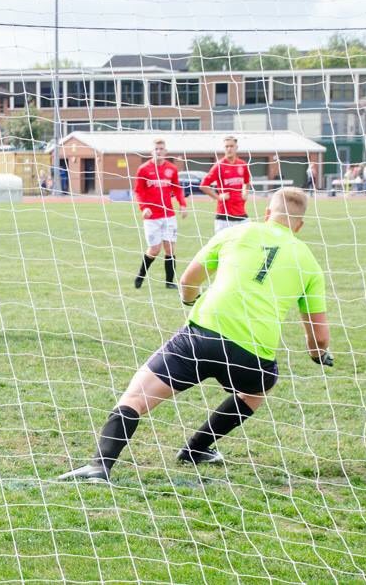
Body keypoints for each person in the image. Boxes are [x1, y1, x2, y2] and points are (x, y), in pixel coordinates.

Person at [59, 187, 332, 482]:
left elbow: (188, 280)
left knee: (136, 397)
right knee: (256, 391)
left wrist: (190, 300)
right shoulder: (309, 263)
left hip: (201, 336)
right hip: (252, 354)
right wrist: (319, 355)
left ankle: (101, 465)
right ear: (300, 226)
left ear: (267, 213)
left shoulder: (237, 231)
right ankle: (197, 449)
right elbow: (319, 337)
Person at [133, 138, 187, 289]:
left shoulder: (172, 169)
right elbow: (138, 190)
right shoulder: (143, 169)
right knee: (154, 249)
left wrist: (182, 204)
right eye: (156, 149)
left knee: (170, 248)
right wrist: (144, 207)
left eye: (161, 148)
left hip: (168, 215)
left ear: (165, 151)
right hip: (152, 217)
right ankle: (140, 275)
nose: (158, 151)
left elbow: (177, 189)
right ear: (152, 151)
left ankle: (169, 282)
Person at [200, 135, 251, 233]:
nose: (229, 149)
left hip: (241, 214)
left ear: (236, 147)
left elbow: (247, 181)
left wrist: (245, 192)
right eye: (226, 146)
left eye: (231, 146)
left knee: (245, 244)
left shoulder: (242, 164)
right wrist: (218, 197)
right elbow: (203, 185)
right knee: (222, 247)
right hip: (224, 216)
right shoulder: (219, 166)